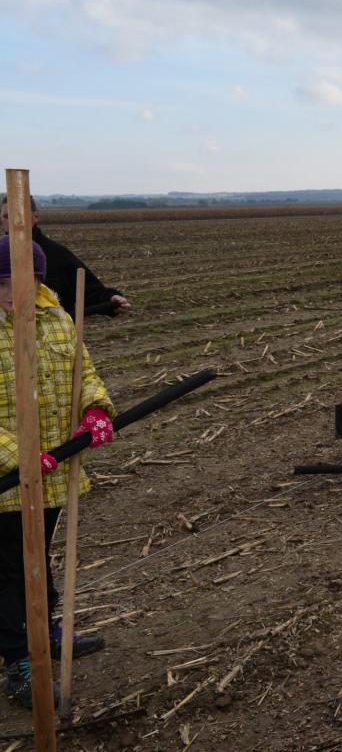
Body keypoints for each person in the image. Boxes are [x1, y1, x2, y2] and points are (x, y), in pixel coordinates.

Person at [0, 237, 114, 708]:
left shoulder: (58, 318)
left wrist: (95, 408)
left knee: (38, 556)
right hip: (7, 480)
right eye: (5, 283)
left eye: (25, 281)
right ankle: (18, 660)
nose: (16, 293)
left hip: (50, 469)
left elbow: (83, 372)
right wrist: (19, 456)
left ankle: (45, 633)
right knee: (9, 568)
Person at [1, 195, 131, 320]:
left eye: (21, 216)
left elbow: (89, 290)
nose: (14, 222)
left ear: (35, 217)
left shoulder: (57, 254)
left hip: (53, 332)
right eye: (7, 216)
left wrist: (111, 299)